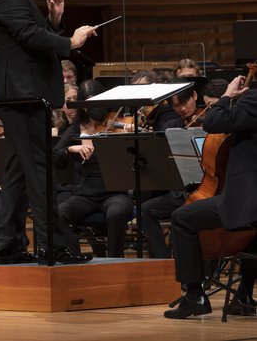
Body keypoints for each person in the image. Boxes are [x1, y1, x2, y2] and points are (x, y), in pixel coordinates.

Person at [0, 0, 96, 265]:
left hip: (20, 94)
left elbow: (27, 39)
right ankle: (55, 245)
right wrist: (72, 42)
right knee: (39, 171)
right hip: (22, 96)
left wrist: (54, 20)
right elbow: (30, 37)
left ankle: (8, 244)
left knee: (18, 171)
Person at [164, 75, 257, 319]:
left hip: (248, 201)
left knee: (181, 217)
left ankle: (194, 295)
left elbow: (214, 122)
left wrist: (227, 96)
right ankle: (244, 295)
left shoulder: (254, 100)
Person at [141, 80, 226, 258]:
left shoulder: (215, 124)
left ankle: (202, 263)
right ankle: (163, 261)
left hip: (211, 190)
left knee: (187, 217)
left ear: (195, 96)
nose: (182, 109)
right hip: (182, 192)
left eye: (185, 103)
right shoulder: (171, 126)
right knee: (146, 210)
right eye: (176, 106)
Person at [54, 80, 134, 258]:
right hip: (86, 194)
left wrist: (130, 136)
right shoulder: (77, 128)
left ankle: (115, 260)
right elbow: (54, 156)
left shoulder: (117, 123)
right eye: (89, 104)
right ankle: (75, 255)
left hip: (115, 193)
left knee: (116, 213)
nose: (94, 109)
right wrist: (70, 149)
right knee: (57, 215)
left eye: (97, 102)